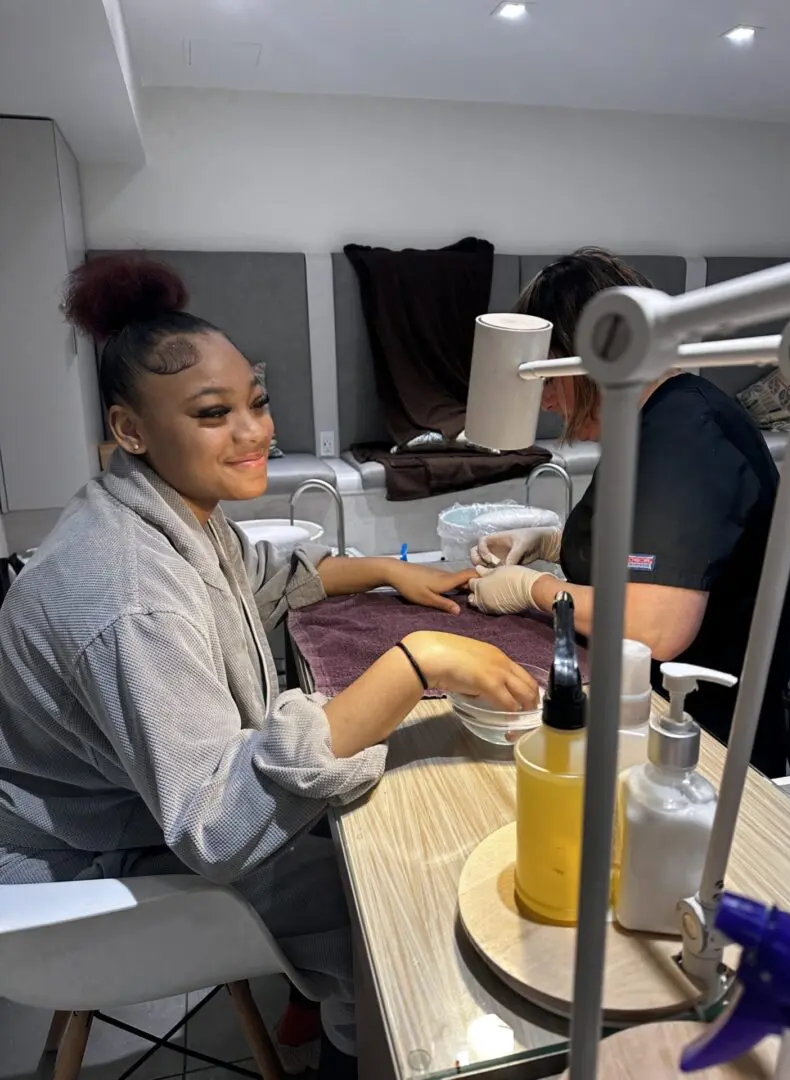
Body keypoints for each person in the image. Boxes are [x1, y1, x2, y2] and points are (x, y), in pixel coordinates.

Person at [0, 256, 539, 1077]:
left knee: (371, 816)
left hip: (135, 821)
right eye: (213, 413)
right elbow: (218, 824)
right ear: (130, 429)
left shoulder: (166, 513)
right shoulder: (129, 590)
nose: (254, 432)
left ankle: (314, 1009)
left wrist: (389, 570)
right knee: (388, 903)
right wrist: (416, 663)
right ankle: (358, 1037)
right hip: (82, 875)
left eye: (255, 402)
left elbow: (261, 577)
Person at [469, 247, 790, 779]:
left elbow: (655, 625)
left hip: (701, 747)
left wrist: (533, 589)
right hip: (638, 712)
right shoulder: (646, 422)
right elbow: (649, 548)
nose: (547, 402)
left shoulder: (686, 432)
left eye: (550, 378)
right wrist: (550, 541)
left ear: (594, 359)